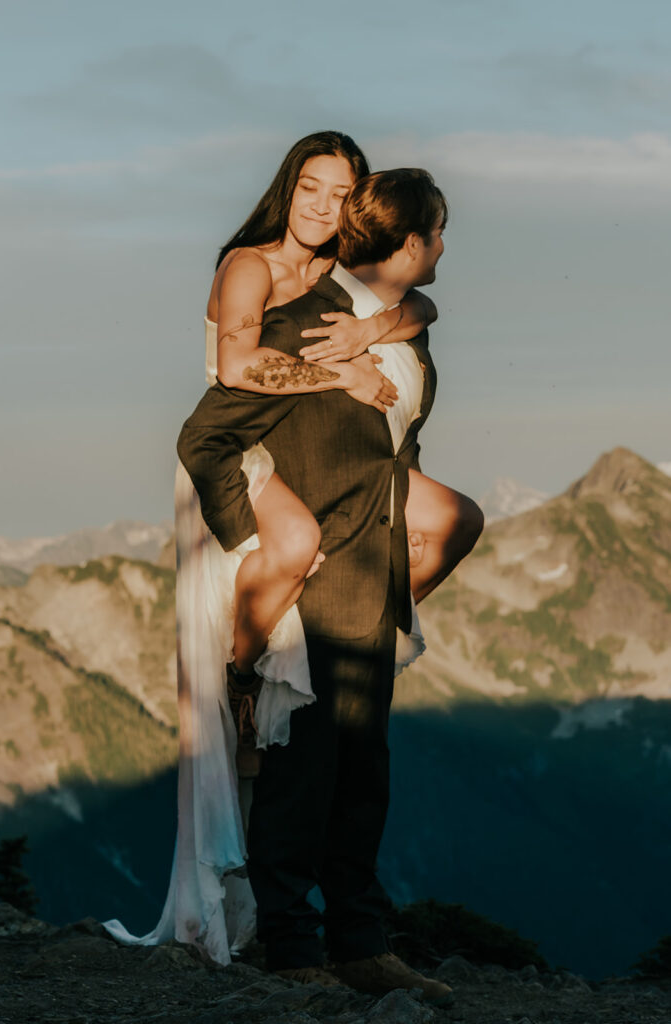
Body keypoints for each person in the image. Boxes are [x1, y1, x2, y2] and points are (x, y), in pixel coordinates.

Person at [178, 167, 482, 1004]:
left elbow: (398, 444)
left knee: (364, 772)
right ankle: (289, 944)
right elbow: (204, 437)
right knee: (304, 777)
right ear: (408, 239)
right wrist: (261, 547)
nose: (445, 246)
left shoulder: (399, 324)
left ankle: (360, 941)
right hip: (312, 590)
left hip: (374, 577)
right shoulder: (303, 325)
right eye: (439, 231)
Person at [201, 132, 482, 776]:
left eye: (341, 195)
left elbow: (421, 302)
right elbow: (237, 367)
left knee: (454, 521)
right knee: (298, 544)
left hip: (297, 426)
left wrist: (368, 329)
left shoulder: (333, 272)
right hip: (242, 439)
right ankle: (243, 677)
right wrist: (345, 374)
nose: (323, 207)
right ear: (287, 188)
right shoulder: (251, 264)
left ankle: (362, 632)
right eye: (310, 188)